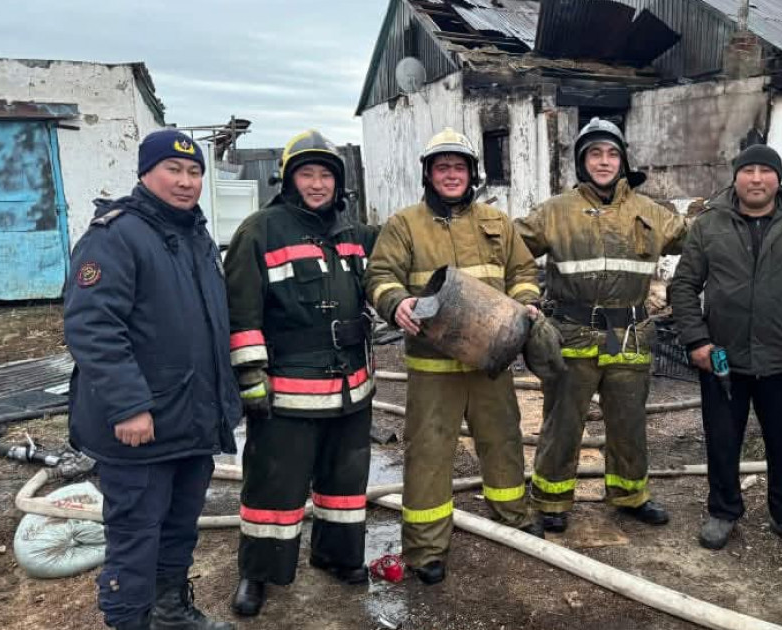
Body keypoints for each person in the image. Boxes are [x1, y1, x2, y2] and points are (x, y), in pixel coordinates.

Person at [64, 129, 239, 630]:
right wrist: (127, 406)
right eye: (173, 170)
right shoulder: (115, 235)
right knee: (136, 538)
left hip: (190, 420)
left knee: (178, 530)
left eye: (194, 172)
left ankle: (171, 613)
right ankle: (129, 622)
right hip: (141, 426)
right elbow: (92, 327)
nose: (186, 182)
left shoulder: (195, 236)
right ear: (146, 173)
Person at [365, 128, 543, 585]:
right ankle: (426, 550)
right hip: (433, 366)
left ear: (472, 174)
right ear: (428, 174)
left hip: (489, 361)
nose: (450, 175)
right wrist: (395, 301)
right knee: (428, 454)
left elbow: (522, 270)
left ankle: (514, 516)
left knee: (503, 438)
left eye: (458, 167)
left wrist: (526, 301)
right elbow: (381, 274)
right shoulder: (405, 224)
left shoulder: (496, 223)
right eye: (442, 167)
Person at [223, 131, 379, 615]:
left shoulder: (350, 232)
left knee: (344, 482)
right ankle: (259, 573)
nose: (317, 183)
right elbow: (241, 316)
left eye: (325, 174)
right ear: (289, 179)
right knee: (274, 484)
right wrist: (251, 382)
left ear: (339, 182)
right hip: (288, 389)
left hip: (351, 386)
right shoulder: (260, 230)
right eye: (307, 174)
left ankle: (337, 555)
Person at [515, 118, 688, 533]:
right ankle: (552, 500)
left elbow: (701, 239)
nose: (604, 161)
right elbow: (507, 250)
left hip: (628, 334)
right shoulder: (553, 212)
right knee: (563, 421)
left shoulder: (651, 213)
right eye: (595, 153)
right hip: (571, 333)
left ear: (624, 160)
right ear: (581, 161)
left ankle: (631, 494)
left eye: (612, 153)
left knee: (628, 420)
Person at [669, 144, 782, 556]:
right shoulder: (709, 225)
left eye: (766, 171)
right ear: (736, 177)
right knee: (722, 440)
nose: (757, 179)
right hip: (724, 360)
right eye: (749, 171)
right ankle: (723, 510)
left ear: (778, 178)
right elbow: (684, 286)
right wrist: (697, 340)